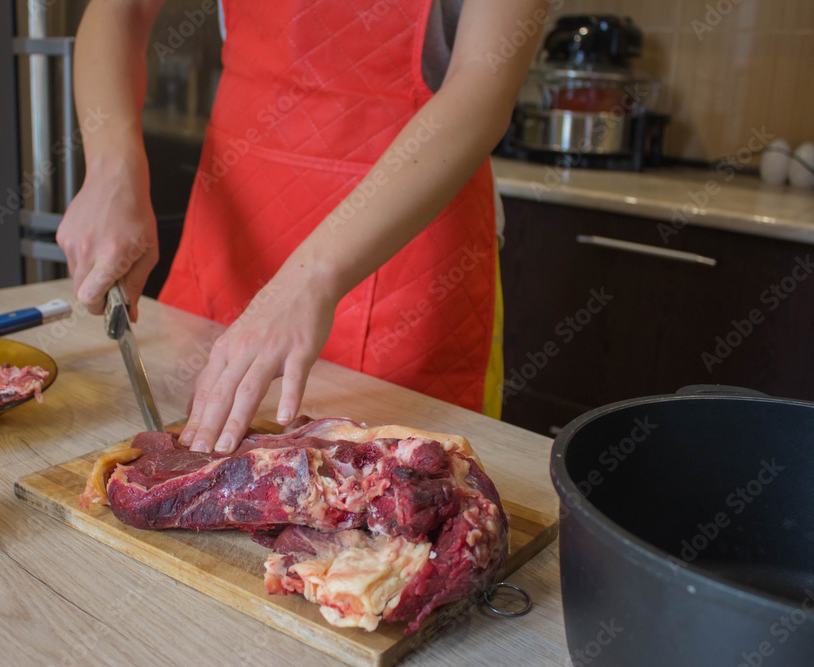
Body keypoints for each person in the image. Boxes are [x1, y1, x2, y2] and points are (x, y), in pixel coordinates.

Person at [57, 0, 544, 454]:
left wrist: (311, 278)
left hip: (407, 262)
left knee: (396, 500)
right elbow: (121, 10)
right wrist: (110, 168)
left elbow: (483, 85)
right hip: (231, 236)